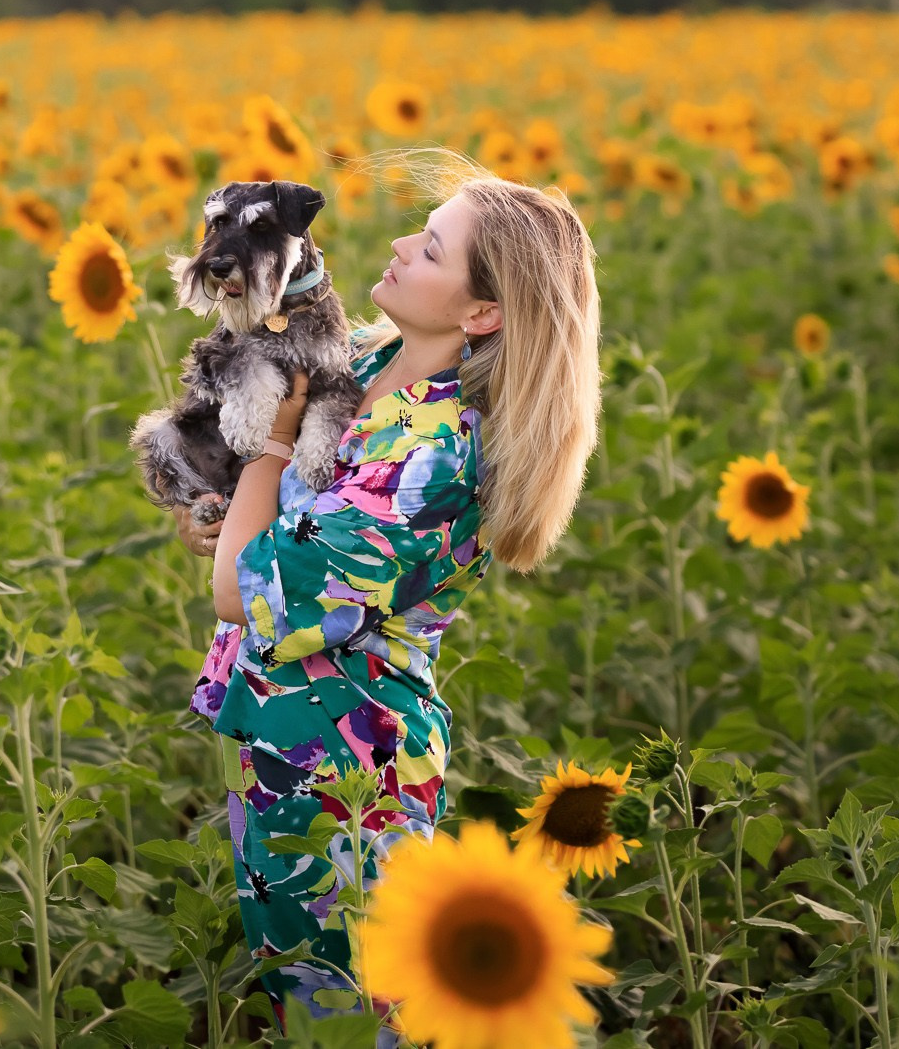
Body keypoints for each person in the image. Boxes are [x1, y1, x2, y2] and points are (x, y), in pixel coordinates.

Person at [173, 158, 602, 1042]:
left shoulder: (434, 459)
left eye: (433, 247)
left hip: (348, 777)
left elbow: (238, 593)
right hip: (275, 738)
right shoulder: (361, 361)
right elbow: (264, 538)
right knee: (300, 1005)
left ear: (481, 313)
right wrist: (232, 510)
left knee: (356, 1018)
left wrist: (271, 447)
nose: (403, 244)